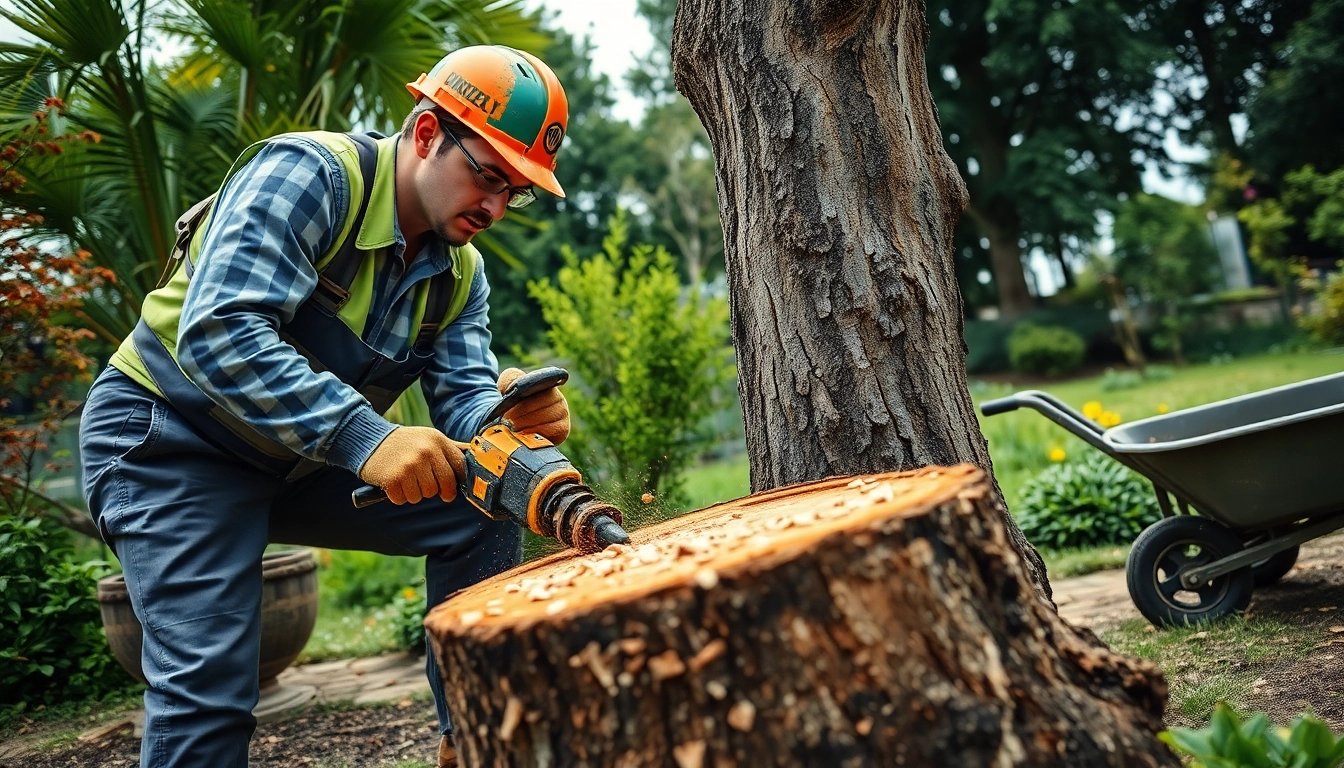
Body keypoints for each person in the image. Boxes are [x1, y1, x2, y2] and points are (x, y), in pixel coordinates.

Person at [78, 45, 571, 768]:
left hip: (296, 462)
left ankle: (475, 742)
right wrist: (366, 437)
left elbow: (466, 403)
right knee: (208, 694)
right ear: (428, 134)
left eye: (515, 191)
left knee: (481, 499)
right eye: (488, 175)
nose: (496, 206)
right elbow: (220, 333)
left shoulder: (459, 272)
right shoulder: (308, 175)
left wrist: (513, 423)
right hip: (167, 440)